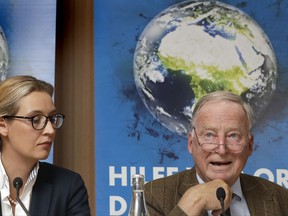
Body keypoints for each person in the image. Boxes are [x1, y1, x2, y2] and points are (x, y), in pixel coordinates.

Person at [144, 91, 288, 216]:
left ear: (250, 146)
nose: (221, 149)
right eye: (209, 135)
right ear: (191, 144)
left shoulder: (279, 197)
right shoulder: (153, 195)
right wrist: (196, 201)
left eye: (233, 136)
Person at [0, 75, 91, 216]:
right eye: (36, 120)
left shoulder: (69, 186)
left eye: (52, 119)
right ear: (3, 125)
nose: (50, 130)